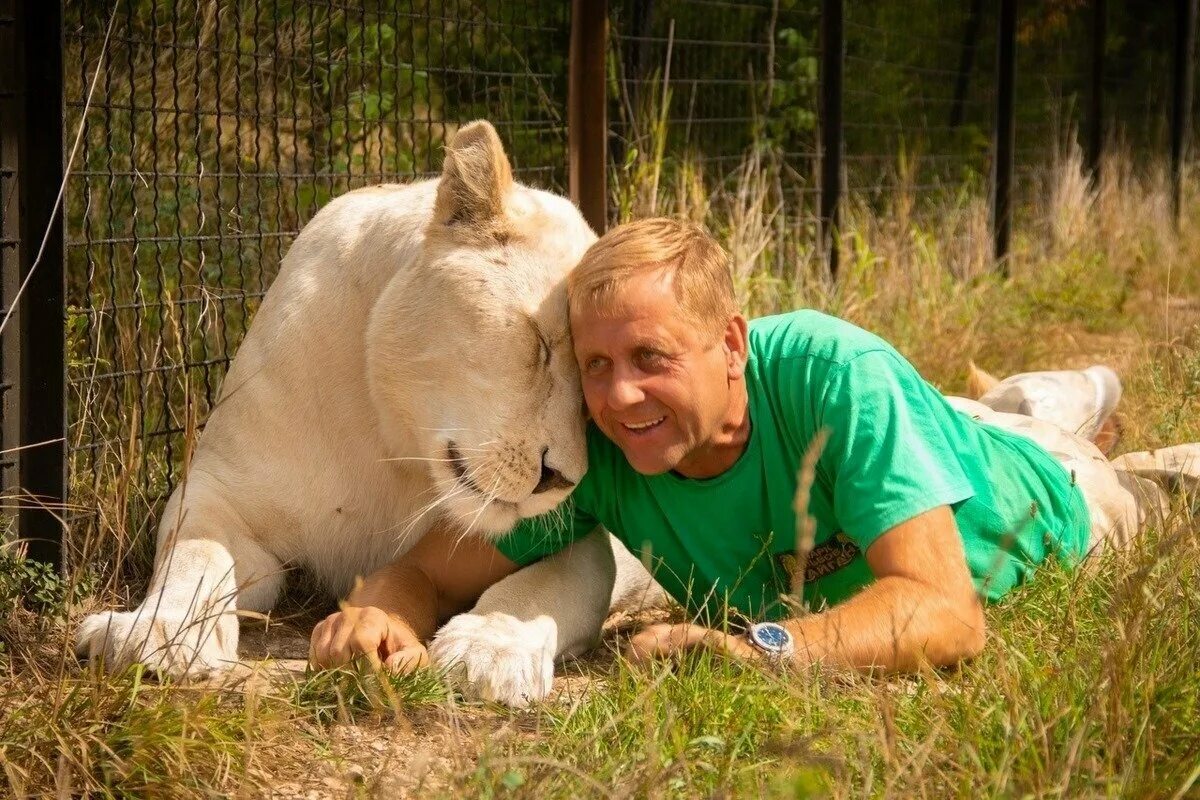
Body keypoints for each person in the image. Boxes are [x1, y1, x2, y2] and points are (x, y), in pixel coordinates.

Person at [308, 218, 1170, 674]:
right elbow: (429, 568)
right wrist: (381, 616)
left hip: (1064, 502)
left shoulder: (837, 374)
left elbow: (948, 616)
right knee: (981, 410)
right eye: (596, 364)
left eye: (652, 358)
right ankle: (1018, 395)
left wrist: (764, 647)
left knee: (1130, 472)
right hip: (952, 438)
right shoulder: (601, 448)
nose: (617, 396)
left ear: (731, 344)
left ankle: (1093, 398)